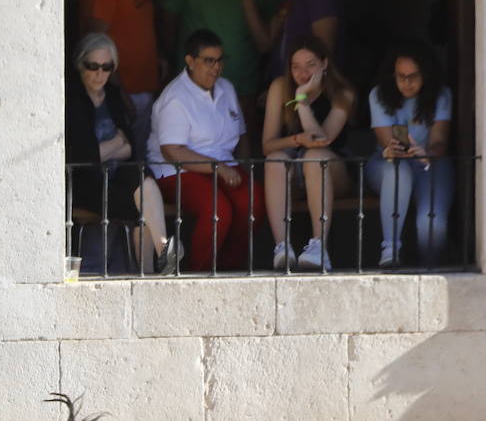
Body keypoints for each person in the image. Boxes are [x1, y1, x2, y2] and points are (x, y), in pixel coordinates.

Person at [148, 29, 267, 273]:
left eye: (220, 60)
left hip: (224, 165)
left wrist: (242, 168)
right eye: (209, 61)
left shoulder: (226, 88)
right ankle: (199, 272)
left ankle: (229, 268)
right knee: (217, 209)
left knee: (252, 199)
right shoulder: (175, 97)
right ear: (190, 61)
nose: (216, 67)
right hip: (175, 171)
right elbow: (172, 151)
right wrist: (218, 168)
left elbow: (242, 134)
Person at [66, 33, 181, 274]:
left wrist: (107, 150)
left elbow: (130, 148)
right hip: (84, 184)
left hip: (116, 178)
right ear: (80, 64)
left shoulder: (114, 97)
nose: (100, 74)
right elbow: (82, 158)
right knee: (143, 207)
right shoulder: (72, 100)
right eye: (93, 66)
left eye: (107, 67)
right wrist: (115, 144)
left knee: (139, 173)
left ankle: (161, 250)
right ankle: (153, 265)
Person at [260, 36, 355, 271]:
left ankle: (318, 246)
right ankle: (282, 247)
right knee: (274, 160)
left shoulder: (343, 93)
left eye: (310, 65)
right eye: (296, 66)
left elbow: (322, 139)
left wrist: (301, 100)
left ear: (324, 64)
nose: (302, 73)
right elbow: (267, 145)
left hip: (332, 169)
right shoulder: (280, 87)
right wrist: (296, 140)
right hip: (293, 169)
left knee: (315, 157)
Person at [164, 0, 279, 133]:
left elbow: (267, 43)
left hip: (243, 83)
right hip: (195, 84)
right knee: (195, 139)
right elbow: (169, 15)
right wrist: (168, 57)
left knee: (240, 138)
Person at [367, 42, 454, 269]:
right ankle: (390, 249)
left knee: (431, 223)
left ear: (426, 74)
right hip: (387, 163)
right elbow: (385, 141)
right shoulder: (379, 94)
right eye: (400, 76)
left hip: (430, 162)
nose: (406, 83)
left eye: (413, 76)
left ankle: (430, 268)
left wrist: (427, 154)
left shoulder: (441, 95)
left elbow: (439, 141)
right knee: (399, 171)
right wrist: (393, 149)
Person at [79, 0, 163, 147]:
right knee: (124, 162)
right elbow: (96, 42)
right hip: (122, 94)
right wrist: (119, 94)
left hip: (145, 88)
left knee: (140, 163)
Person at [260, 0, 343, 83]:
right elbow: (266, 44)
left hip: (308, 93)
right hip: (285, 89)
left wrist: (301, 93)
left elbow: (323, 50)